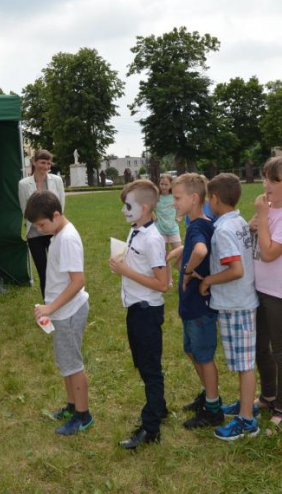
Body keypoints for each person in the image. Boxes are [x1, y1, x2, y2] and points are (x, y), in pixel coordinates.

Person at [245, 156, 282, 435]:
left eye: (274, 180)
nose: (266, 184)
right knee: (260, 346)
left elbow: (270, 253)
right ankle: (268, 396)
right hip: (261, 288)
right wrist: (257, 220)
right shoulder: (269, 208)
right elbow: (253, 233)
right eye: (265, 178)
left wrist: (262, 218)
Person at [196, 173, 259, 441]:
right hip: (240, 301)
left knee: (245, 365)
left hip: (236, 304)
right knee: (243, 362)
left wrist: (208, 280)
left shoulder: (222, 231)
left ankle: (246, 420)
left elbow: (235, 269)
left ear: (214, 199)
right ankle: (245, 405)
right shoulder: (238, 221)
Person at [25, 191, 94, 436]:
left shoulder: (67, 239)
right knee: (65, 362)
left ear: (56, 215)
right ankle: (72, 405)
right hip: (62, 312)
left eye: (42, 224)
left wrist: (51, 307)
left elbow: (77, 281)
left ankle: (83, 415)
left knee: (73, 364)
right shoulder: (57, 235)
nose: (40, 229)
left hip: (69, 312)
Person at [109, 180, 170, 449]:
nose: (124, 211)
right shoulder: (136, 229)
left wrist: (126, 271)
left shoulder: (153, 239)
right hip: (136, 308)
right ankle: (159, 407)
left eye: (128, 206)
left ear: (144, 208)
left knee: (150, 368)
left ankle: (151, 427)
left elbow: (162, 284)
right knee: (144, 364)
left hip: (146, 311)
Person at [166, 173, 224, 430]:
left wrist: (188, 270)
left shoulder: (198, 226)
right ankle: (208, 394)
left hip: (200, 307)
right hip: (191, 306)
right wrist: (179, 251)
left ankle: (213, 409)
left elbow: (201, 250)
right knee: (191, 351)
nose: (173, 203)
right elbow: (196, 245)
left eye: (177, 198)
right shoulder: (200, 223)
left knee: (204, 356)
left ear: (194, 198)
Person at [18, 150, 66, 298]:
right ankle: (48, 303)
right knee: (43, 272)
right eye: (42, 162)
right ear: (34, 162)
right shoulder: (23, 184)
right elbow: (25, 209)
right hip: (34, 234)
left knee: (58, 270)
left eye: (48, 163)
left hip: (53, 233)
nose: (45, 166)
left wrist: (54, 225)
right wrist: (39, 224)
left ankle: (61, 301)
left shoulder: (56, 181)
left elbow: (61, 206)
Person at [156, 174, 182, 255]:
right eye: (162, 184)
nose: (163, 187)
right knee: (163, 255)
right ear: (159, 184)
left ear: (171, 185)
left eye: (166, 184)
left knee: (179, 253)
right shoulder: (156, 197)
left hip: (173, 229)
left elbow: (180, 207)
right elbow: (148, 207)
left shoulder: (174, 196)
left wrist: (179, 216)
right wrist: (153, 217)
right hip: (160, 230)